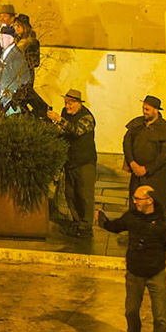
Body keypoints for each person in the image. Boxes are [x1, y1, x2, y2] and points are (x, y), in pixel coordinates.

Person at [97, 185, 166, 332]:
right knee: (131, 310)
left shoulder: (163, 224)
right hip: (135, 273)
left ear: (150, 200)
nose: (134, 201)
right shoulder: (131, 218)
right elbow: (116, 226)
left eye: (138, 198)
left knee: (160, 316)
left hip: (156, 274)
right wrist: (103, 221)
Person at [50, 88, 98, 235]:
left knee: (85, 195)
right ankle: (77, 222)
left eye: (70, 104)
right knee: (70, 193)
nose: (67, 107)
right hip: (71, 162)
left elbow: (76, 130)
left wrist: (59, 120)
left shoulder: (87, 117)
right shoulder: (66, 113)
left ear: (78, 104)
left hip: (85, 162)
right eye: (66, 103)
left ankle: (85, 226)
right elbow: (64, 131)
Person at [124, 95, 166, 207]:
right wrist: (132, 163)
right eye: (143, 108)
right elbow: (126, 143)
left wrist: (146, 169)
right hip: (136, 173)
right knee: (135, 204)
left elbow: (165, 155)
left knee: (154, 205)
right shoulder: (137, 124)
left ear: (156, 110)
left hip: (156, 177)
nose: (144, 112)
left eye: (147, 109)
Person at [0, 30, 30, 112]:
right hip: (3, 95)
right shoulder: (4, 53)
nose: (0, 40)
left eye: (3, 38)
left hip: (10, 97)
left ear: (11, 39)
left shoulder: (17, 55)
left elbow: (20, 77)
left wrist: (0, 83)